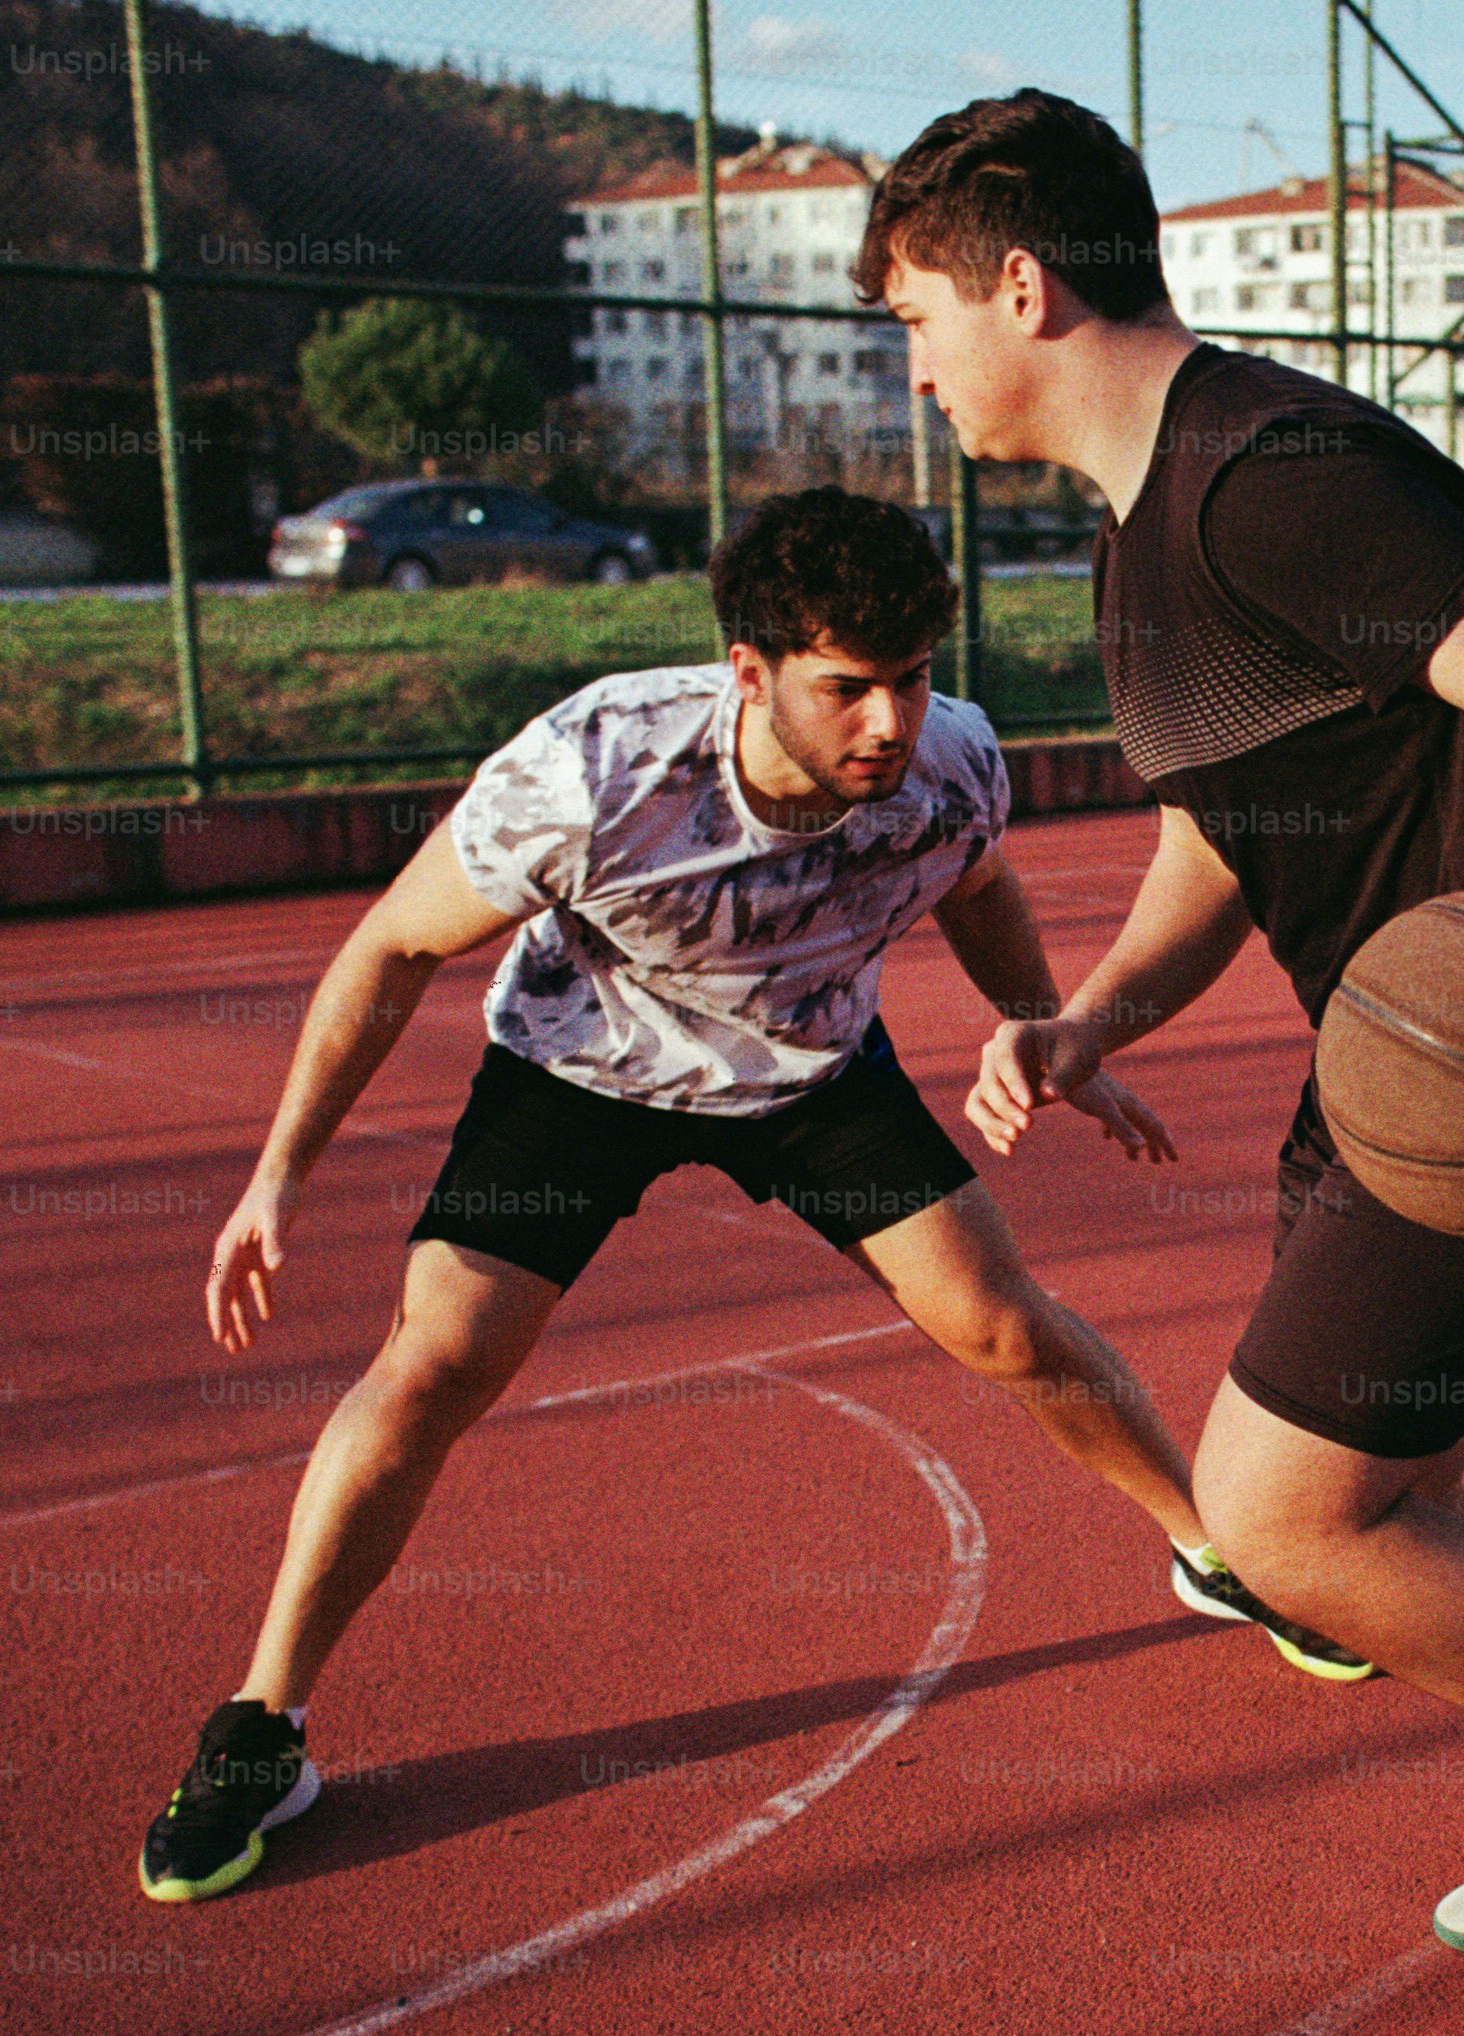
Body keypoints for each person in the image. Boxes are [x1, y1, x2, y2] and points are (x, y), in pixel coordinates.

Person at [861, 94, 1464, 2036]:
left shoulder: (1274, 472)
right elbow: (1225, 835)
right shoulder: (1149, 548)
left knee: (1287, 1519)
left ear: (1020, 286)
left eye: (913, 320)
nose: (917, 369)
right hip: (1398, 1062)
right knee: (1398, 1496)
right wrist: (1095, 1020)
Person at [138, 486, 1361, 1905]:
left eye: (908, 680)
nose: (887, 724)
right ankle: (264, 1724)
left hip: (810, 1069)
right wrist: (277, 1177)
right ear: (750, 670)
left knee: (1002, 1323)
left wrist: (1053, 1035)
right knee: (433, 1365)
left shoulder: (951, 761)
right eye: (846, 688)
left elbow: (971, 886)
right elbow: (388, 951)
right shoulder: (593, 770)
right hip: (579, 1077)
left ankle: (1214, 1553)